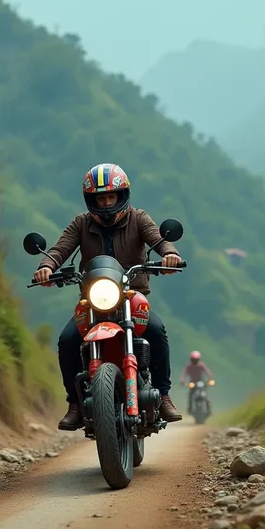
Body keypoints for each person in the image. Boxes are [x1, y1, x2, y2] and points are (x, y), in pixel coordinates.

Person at [33, 162, 183, 430]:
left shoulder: (139, 218)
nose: (106, 203)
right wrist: (46, 267)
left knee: (157, 331)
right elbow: (59, 249)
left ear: (121, 195)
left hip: (131, 295)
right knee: (67, 340)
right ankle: (76, 404)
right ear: (92, 200)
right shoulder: (81, 223)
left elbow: (159, 240)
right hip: (93, 300)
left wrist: (170, 254)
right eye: (100, 198)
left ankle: (163, 394)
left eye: (110, 196)